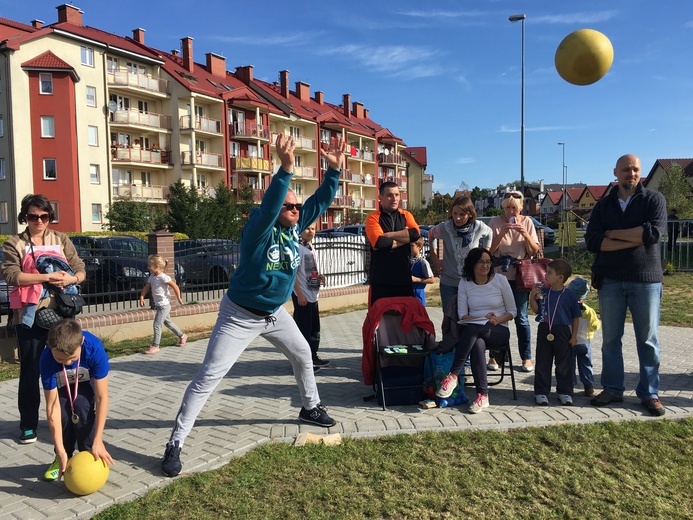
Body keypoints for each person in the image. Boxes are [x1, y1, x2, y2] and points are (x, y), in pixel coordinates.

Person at [160, 133, 346, 478]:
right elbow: (274, 202)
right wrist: (285, 170)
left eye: (297, 206)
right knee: (209, 376)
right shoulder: (259, 229)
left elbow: (318, 203)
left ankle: (310, 408)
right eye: (290, 206)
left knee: (303, 354)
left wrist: (333, 172)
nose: (296, 210)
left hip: (275, 315)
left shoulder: (294, 226)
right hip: (239, 316)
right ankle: (175, 442)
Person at [585, 153, 667, 416]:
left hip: (646, 281)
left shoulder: (654, 199)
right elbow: (593, 242)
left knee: (648, 340)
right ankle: (612, 389)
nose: (630, 174)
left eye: (635, 170)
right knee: (611, 339)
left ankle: (649, 393)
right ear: (615, 173)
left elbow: (652, 234)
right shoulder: (603, 205)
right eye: (625, 170)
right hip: (610, 281)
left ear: (640, 172)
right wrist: (636, 236)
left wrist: (614, 234)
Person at [1, 194, 86, 444]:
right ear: (24, 217)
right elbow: (11, 275)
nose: (39, 221)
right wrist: (47, 278)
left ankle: (68, 417)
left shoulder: (60, 239)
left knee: (67, 367)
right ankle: (28, 425)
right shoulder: (14, 242)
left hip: (61, 313)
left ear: (50, 216)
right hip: (29, 315)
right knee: (30, 371)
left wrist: (72, 279)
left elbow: (79, 267)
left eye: (44, 216)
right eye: (33, 216)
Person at [435, 247, 517, 414]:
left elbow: (513, 312)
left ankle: (453, 376)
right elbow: (463, 316)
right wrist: (481, 319)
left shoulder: (500, 280)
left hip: (498, 330)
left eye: (488, 262)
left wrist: (496, 320)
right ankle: (483, 396)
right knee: (477, 342)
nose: (485, 266)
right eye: (481, 262)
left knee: (473, 331)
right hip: (475, 330)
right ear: (472, 265)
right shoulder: (465, 283)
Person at [39, 319, 114, 480]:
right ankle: (62, 458)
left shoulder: (94, 349)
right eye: (60, 359)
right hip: (63, 383)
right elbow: (52, 407)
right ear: (50, 347)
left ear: (81, 343)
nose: (66, 363)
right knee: (64, 412)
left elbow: (102, 397)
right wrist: (59, 448)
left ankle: (90, 453)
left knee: (82, 406)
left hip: (88, 381)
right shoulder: (46, 359)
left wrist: (98, 439)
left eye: (72, 358)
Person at [488, 190, 540, 373]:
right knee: (497, 318)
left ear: (520, 208)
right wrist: (501, 233)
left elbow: (533, 251)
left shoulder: (527, 222)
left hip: (520, 275)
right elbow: (490, 251)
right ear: (503, 207)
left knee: (522, 319)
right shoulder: (495, 222)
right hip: (499, 274)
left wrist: (525, 234)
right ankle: (495, 355)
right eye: (508, 208)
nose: (511, 212)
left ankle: (526, 357)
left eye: (514, 208)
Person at [530, 259, 581, 406]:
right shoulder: (544, 292)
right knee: (542, 362)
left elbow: (575, 317)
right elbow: (536, 310)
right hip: (545, 328)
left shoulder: (569, 295)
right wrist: (532, 296)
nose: (546, 274)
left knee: (564, 363)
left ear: (560, 277)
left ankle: (565, 392)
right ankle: (541, 392)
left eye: (550, 272)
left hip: (563, 331)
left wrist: (574, 336)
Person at [428, 196, 493, 312]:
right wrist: (436, 259)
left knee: (471, 318)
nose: (457, 218)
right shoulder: (444, 228)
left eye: (462, 214)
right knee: (450, 319)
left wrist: (485, 253)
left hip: (472, 282)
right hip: (449, 283)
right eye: (454, 213)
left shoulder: (478, 226)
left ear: (470, 214)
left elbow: (490, 234)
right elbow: (431, 235)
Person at [365, 181, 420, 305]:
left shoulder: (406, 215)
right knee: (380, 319)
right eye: (389, 195)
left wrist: (390, 235)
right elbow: (381, 243)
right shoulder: (373, 217)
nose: (394, 199)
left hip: (403, 278)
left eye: (397, 195)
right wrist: (405, 238)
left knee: (406, 319)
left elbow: (415, 235)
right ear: (380, 198)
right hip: (381, 280)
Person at [292, 222, 328, 371]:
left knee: (314, 329)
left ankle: (313, 356)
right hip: (302, 296)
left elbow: (309, 270)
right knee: (303, 330)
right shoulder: (296, 248)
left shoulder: (310, 248)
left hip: (313, 294)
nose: (311, 231)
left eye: (313, 229)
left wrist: (319, 277)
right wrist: (299, 294)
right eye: (307, 228)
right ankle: (301, 363)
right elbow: (293, 273)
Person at [139, 254, 188, 355]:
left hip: (164, 306)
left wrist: (179, 297)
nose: (148, 267)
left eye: (149, 265)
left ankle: (155, 346)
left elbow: (175, 286)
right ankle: (182, 336)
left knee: (157, 324)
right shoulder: (152, 277)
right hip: (159, 305)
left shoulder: (163, 277)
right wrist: (142, 297)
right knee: (168, 323)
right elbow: (146, 288)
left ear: (156, 266)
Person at [567, 277, 600, 397]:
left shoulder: (566, 307)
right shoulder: (589, 310)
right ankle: (588, 386)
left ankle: (569, 386)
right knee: (586, 364)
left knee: (569, 365)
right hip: (584, 342)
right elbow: (595, 325)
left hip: (569, 342)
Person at [409, 237, 435, 306]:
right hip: (408, 297)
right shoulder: (408, 261)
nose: (409, 248)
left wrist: (416, 279)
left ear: (419, 247)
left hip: (418, 297)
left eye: (412, 246)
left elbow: (432, 280)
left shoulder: (423, 262)